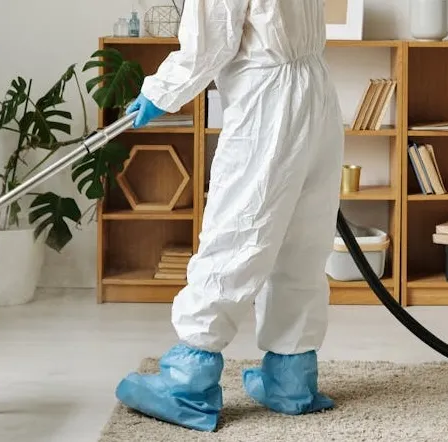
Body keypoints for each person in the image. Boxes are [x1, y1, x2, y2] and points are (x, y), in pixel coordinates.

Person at [115, 0, 345, 433]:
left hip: (268, 103)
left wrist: (158, 92)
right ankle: (291, 379)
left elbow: (208, 41)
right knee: (302, 242)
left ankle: (188, 384)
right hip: (318, 93)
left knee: (237, 234)